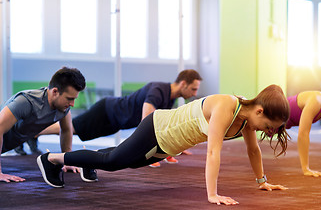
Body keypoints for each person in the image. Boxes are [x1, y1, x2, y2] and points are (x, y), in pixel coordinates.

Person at [37, 84, 290, 205]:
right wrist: (212, 195)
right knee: (113, 162)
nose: (267, 132)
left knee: (122, 159)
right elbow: (213, 152)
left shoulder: (247, 121)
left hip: (168, 144)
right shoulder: (228, 106)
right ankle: (52, 160)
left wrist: (262, 181)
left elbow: (253, 149)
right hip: (158, 129)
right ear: (259, 110)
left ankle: (85, 164)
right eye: (269, 125)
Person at [37, 69, 202, 172]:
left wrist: (176, 144)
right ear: (183, 84)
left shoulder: (169, 97)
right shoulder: (159, 90)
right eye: (193, 88)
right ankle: (33, 132)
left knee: (78, 130)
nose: (194, 93)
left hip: (116, 121)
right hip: (107, 111)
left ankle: (34, 134)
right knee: (73, 128)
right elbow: (148, 120)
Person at [0, 67, 86, 183]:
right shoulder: (25, 102)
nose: (72, 104)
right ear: (55, 91)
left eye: (74, 99)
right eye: (69, 99)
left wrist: (67, 161)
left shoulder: (63, 108)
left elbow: (66, 130)